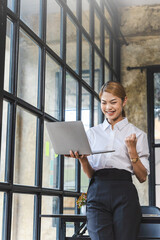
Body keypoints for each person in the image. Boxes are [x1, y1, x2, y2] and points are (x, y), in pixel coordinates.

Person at [67, 81, 150, 240]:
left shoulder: (138, 135)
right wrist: (83, 160)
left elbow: (142, 177)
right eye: (104, 102)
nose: (108, 108)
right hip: (97, 192)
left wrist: (132, 150)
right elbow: (91, 174)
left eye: (113, 102)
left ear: (124, 101)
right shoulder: (92, 133)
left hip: (124, 193)